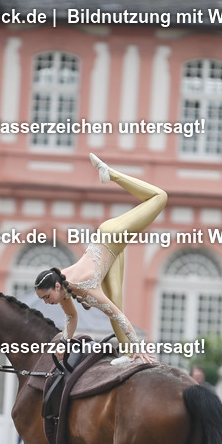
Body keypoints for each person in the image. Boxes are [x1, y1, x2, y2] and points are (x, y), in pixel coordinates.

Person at [34, 153, 168, 364]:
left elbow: (117, 316)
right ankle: (127, 354)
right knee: (115, 297)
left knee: (160, 197)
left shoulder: (82, 286)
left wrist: (139, 348)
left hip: (112, 235)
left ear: (57, 287)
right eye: (43, 299)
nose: (46, 302)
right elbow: (72, 317)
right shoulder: (64, 287)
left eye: (46, 297)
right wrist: (64, 343)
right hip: (113, 250)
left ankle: (111, 174)